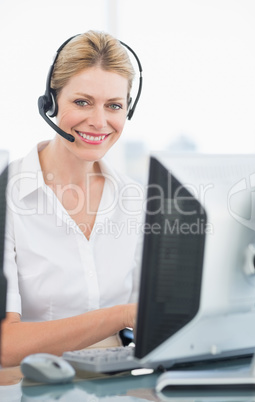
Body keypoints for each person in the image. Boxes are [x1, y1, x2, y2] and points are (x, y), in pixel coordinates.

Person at [1, 30, 144, 367]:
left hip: (119, 384)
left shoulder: (134, 199)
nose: (98, 121)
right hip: (28, 385)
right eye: (82, 102)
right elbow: (5, 344)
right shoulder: (8, 197)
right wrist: (121, 315)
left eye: (114, 106)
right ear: (51, 102)